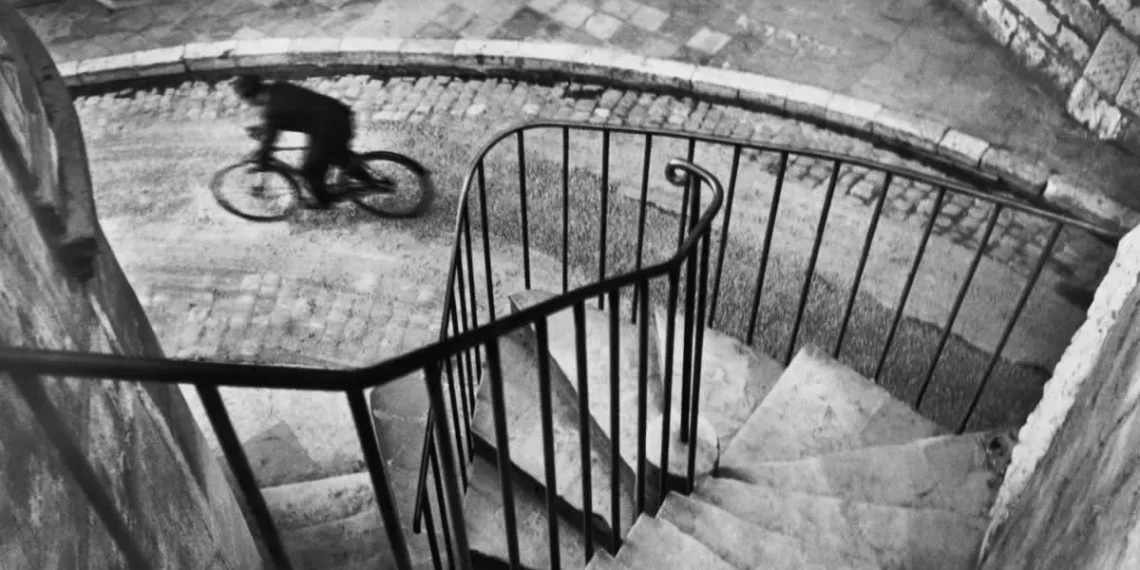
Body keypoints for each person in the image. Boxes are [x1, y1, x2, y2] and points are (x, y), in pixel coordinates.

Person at [232, 74, 385, 209]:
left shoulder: (273, 111)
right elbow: (291, 112)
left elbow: (271, 137)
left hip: (329, 127)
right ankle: (370, 181)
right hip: (336, 115)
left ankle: (323, 202)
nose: (248, 104)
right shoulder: (278, 88)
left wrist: (262, 158)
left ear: (252, 97)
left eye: (246, 100)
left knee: (311, 170)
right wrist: (264, 130)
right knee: (338, 156)